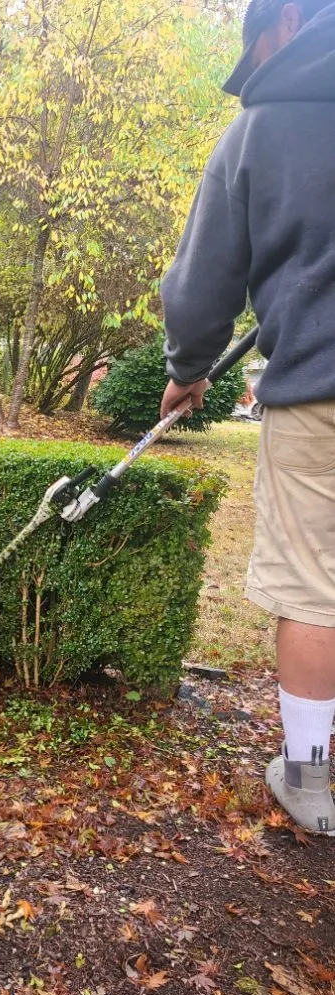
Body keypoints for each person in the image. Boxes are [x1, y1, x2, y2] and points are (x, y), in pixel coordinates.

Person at [160, 0, 335, 835]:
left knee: (313, 589)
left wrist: (187, 370)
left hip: (319, 397)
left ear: (288, 20)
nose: (251, 67)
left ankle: (307, 778)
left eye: (253, 45)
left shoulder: (264, 128)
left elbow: (203, 283)